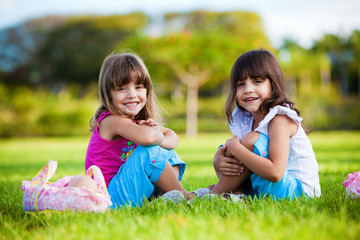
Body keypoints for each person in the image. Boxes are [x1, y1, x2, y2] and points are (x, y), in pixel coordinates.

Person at [71, 52, 194, 208]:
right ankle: (185, 197)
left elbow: (173, 138)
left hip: (126, 189)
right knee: (150, 152)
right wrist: (154, 134)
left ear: (147, 90)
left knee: (166, 152)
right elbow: (149, 140)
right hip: (109, 197)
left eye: (138, 87)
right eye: (122, 89)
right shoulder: (111, 121)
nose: (132, 94)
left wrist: (156, 134)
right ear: (108, 93)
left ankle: (166, 195)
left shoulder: (134, 122)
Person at [208, 49, 321, 199]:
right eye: (241, 84)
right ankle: (238, 196)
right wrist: (218, 161)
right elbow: (241, 163)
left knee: (247, 142)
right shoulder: (247, 119)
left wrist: (237, 149)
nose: (248, 89)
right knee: (227, 149)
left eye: (257, 82)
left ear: (273, 85)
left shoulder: (280, 119)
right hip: (270, 187)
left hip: (298, 192)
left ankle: (215, 195)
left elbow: (275, 173)